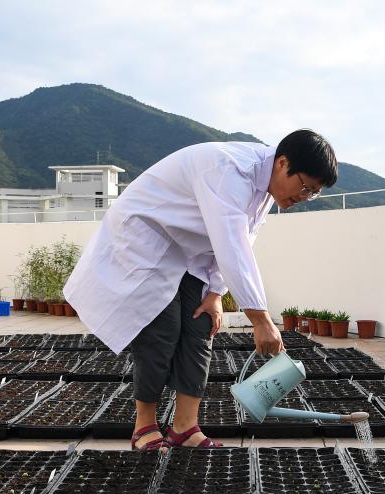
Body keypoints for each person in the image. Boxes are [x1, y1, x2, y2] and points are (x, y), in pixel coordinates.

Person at [64, 129, 338, 450]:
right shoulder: (229, 169)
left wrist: (216, 293)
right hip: (148, 237)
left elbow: (243, 240)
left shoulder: (265, 190)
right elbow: (231, 244)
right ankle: (145, 426)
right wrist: (261, 321)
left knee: (201, 327)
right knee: (161, 331)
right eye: (305, 187)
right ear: (282, 163)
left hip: (189, 251)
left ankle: (185, 428)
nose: (303, 197)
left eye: (313, 193)